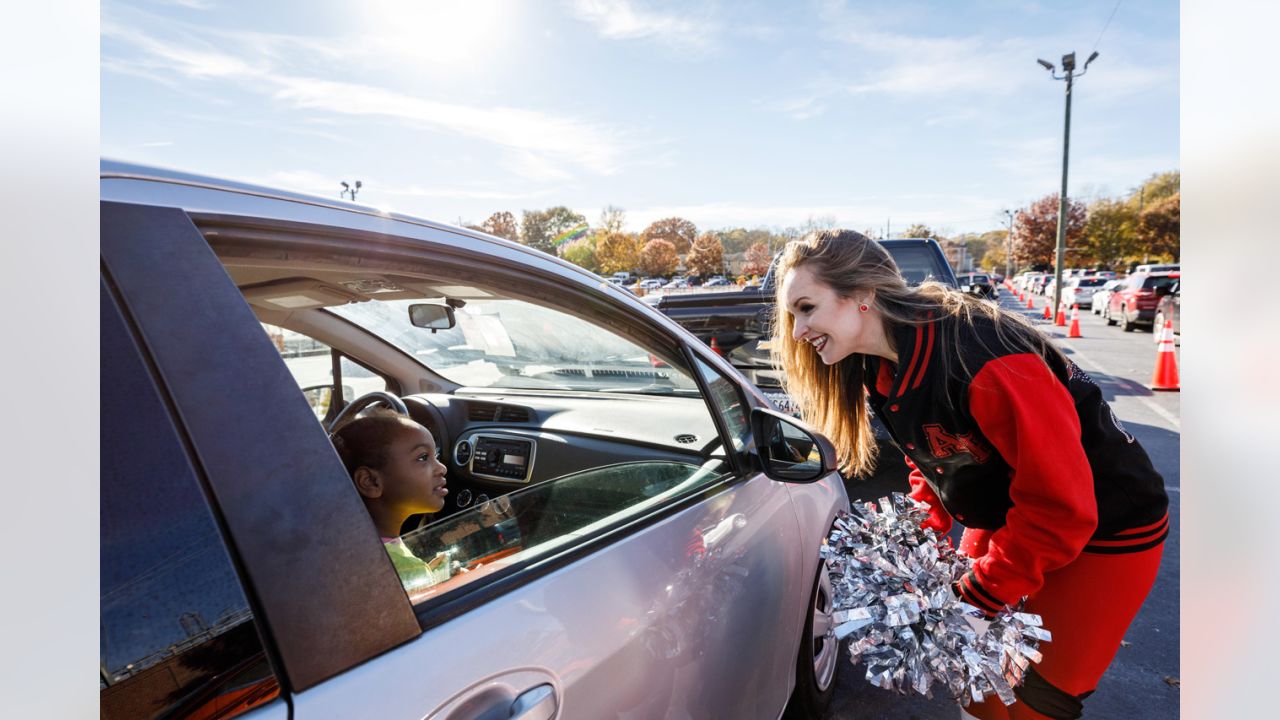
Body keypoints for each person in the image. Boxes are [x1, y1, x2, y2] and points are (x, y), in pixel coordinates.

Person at [772, 230, 1168, 720]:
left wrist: (978, 594)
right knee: (975, 680)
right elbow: (932, 452)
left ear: (862, 295)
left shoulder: (984, 359)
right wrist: (922, 530)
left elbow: (1061, 508)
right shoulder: (882, 363)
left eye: (806, 307)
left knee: (1033, 704)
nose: (796, 331)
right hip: (1010, 512)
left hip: (1106, 530)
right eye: (793, 314)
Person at [330, 410, 453, 592]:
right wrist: (423, 576)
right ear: (371, 482)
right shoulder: (402, 571)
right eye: (423, 457)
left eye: (436, 456)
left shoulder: (347, 547)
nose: (441, 468)